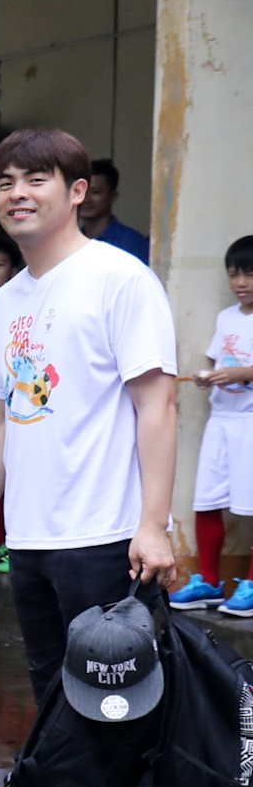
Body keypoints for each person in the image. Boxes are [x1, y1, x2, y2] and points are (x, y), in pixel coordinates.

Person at [0, 126, 179, 787]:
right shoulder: (9, 300)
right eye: (5, 180)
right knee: (55, 704)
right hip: (34, 539)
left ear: (77, 190)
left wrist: (153, 522)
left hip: (105, 536)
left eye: (36, 177)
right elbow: (7, 420)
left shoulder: (119, 280)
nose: (17, 192)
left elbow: (158, 403)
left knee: (118, 712)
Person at [173, 235, 253, 613]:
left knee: (250, 506)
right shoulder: (226, 318)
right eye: (234, 275)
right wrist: (207, 376)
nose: (241, 283)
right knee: (206, 499)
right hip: (220, 420)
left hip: (250, 422)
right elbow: (217, 361)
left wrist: (242, 373)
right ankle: (207, 582)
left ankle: (250, 585)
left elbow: (238, 369)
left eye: (249, 274)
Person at [78, 159, 149, 264]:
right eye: (81, 191)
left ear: (112, 196)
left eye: (95, 192)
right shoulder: (69, 244)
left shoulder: (134, 244)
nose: (86, 199)